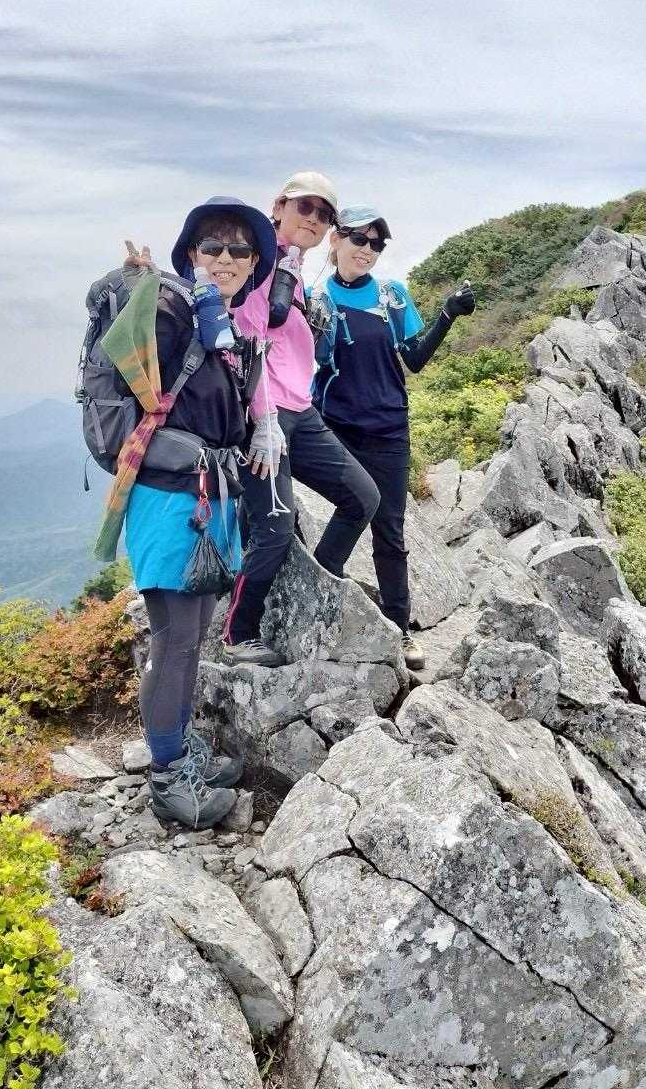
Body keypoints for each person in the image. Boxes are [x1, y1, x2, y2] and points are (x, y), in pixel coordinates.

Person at [117, 197, 278, 828]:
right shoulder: (174, 310)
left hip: (212, 499)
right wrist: (140, 283)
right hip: (168, 501)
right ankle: (167, 777)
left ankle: (181, 749)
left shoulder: (226, 331)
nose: (226, 258)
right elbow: (132, 345)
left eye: (240, 249)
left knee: (195, 634)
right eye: (212, 246)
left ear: (255, 262)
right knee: (176, 639)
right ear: (191, 255)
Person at [223, 172, 381, 664]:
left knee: (363, 497)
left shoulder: (291, 269)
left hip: (301, 410)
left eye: (324, 214)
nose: (313, 219)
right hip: (262, 416)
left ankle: (321, 582)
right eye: (304, 207)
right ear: (279, 207)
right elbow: (246, 342)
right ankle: (238, 633)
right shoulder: (255, 261)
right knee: (274, 525)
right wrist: (264, 420)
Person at [309, 205, 475, 668]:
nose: (367, 250)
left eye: (376, 244)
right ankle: (316, 598)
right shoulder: (314, 299)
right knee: (351, 511)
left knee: (389, 530)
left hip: (387, 429)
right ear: (335, 240)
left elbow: (415, 358)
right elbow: (301, 358)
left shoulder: (391, 296)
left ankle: (400, 629)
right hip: (334, 428)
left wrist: (448, 313)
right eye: (359, 239)